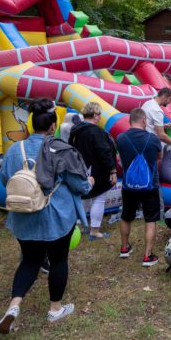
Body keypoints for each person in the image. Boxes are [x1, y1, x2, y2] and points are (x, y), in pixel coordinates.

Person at [0, 98, 93, 334]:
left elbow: (5, 178)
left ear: (30, 124)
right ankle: (55, 309)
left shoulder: (14, 150)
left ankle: (14, 306)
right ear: (52, 126)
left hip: (24, 217)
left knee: (30, 260)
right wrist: (89, 181)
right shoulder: (60, 150)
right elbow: (80, 185)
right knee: (58, 260)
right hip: (57, 217)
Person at [115, 108, 164, 267]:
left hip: (129, 186)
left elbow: (119, 158)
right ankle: (147, 256)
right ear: (144, 120)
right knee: (151, 219)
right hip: (150, 185)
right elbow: (159, 158)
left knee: (126, 216)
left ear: (130, 120)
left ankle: (124, 247)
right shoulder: (153, 138)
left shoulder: (121, 138)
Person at [68, 102, 117, 240]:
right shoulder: (96, 131)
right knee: (99, 198)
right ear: (95, 115)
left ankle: (81, 227)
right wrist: (112, 170)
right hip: (97, 170)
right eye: (99, 114)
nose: (100, 117)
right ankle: (94, 231)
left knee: (83, 198)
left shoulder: (75, 131)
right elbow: (104, 152)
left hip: (80, 169)